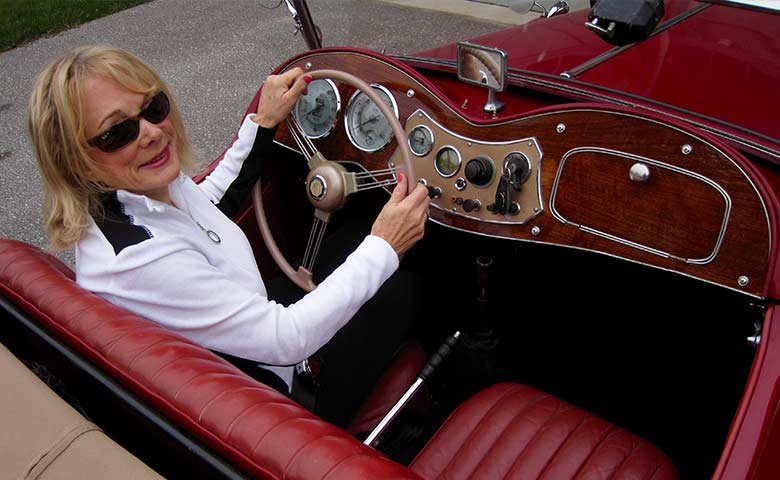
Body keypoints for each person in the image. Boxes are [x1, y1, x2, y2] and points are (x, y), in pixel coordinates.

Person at [27, 45, 430, 426]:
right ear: (75, 163)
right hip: (280, 400)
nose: (151, 132)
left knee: (357, 238)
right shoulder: (136, 261)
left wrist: (263, 124)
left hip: (248, 347)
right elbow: (285, 337)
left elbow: (206, 203)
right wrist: (385, 246)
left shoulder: (135, 198)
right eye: (117, 132)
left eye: (154, 107)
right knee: (414, 275)